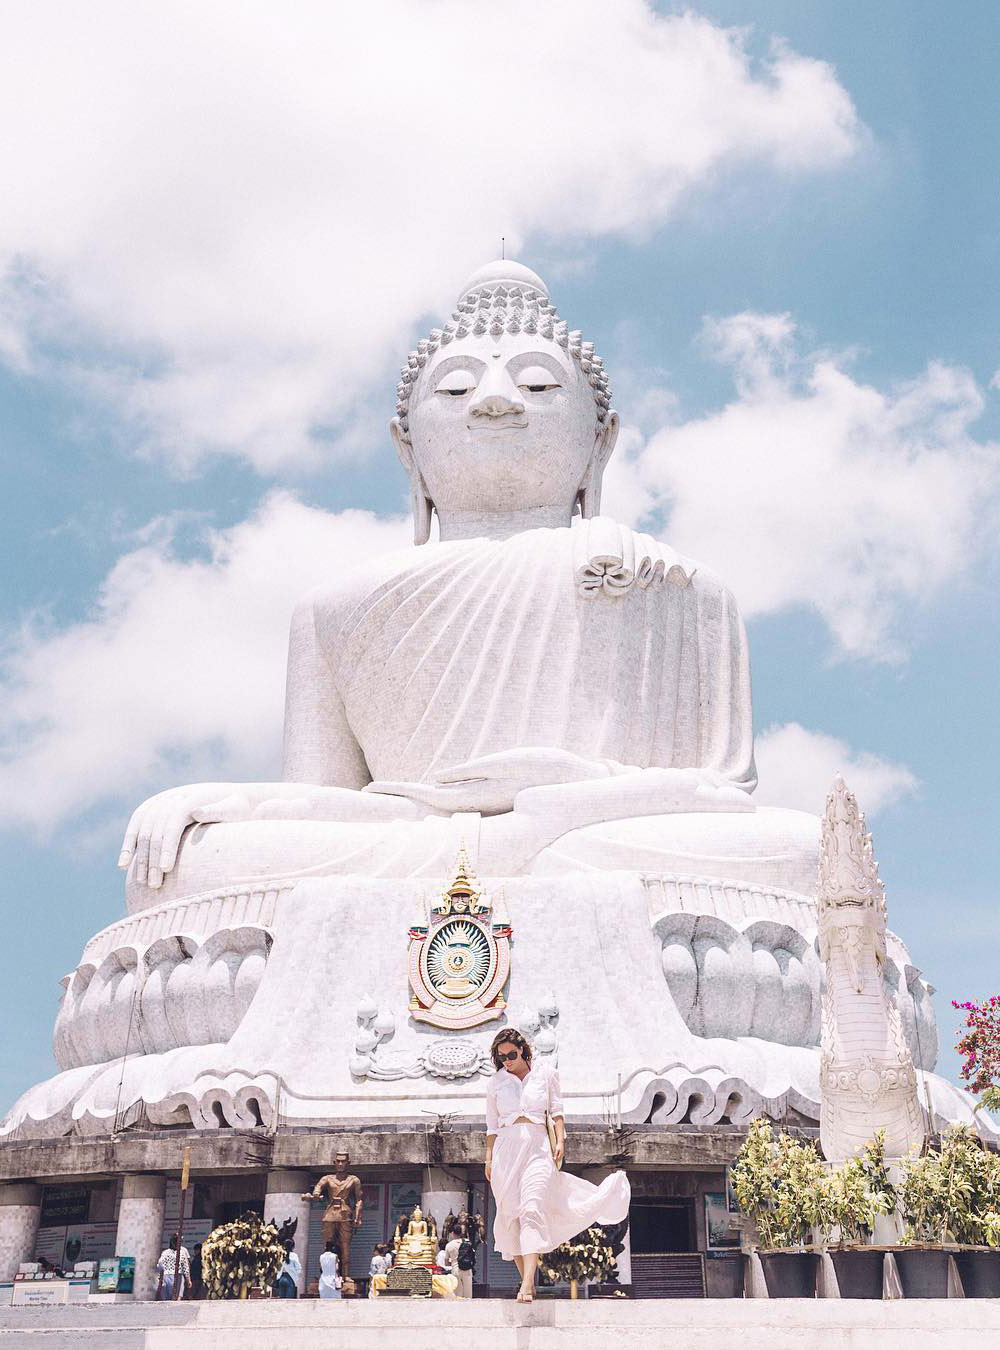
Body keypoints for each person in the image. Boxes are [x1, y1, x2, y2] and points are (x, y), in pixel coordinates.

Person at [485, 1029, 630, 1303]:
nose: (507, 1060)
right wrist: (489, 1158)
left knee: (531, 1209)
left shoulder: (546, 1073)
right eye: (501, 1056)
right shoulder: (496, 1082)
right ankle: (527, 1280)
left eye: (512, 1055)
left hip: (538, 1148)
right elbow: (492, 1126)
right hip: (506, 1151)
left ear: (523, 1050)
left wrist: (560, 1139)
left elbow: (557, 1109)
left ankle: (527, 1284)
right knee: (510, 1218)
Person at [155, 1235, 191, 1300]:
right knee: (177, 1298)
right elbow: (185, 1268)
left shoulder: (165, 1253)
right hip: (178, 1276)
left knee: (168, 1298)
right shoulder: (182, 1253)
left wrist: (159, 1276)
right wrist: (188, 1280)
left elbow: (159, 1265)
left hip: (167, 1276)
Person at [445, 1229, 475, 1299]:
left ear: (453, 1233)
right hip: (467, 1269)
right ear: (461, 1233)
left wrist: (453, 1262)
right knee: (468, 1294)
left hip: (455, 1270)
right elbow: (473, 1256)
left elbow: (446, 1262)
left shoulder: (449, 1245)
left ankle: (459, 1309)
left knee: (458, 1294)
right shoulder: (467, 1242)